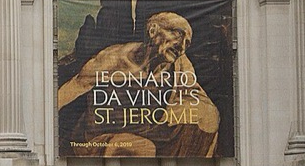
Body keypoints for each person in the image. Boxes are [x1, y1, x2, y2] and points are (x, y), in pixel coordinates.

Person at [56, 10, 220, 157]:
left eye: (187, 43)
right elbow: (74, 87)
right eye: (177, 34)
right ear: (153, 30)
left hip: (155, 134)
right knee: (141, 149)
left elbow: (198, 99)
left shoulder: (181, 64)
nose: (182, 47)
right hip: (104, 135)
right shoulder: (114, 58)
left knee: (207, 118)